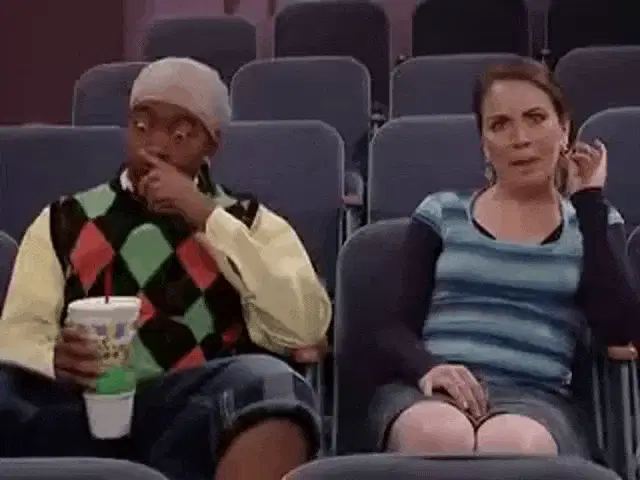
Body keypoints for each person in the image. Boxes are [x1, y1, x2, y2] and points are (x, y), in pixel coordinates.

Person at [0, 57, 331, 480]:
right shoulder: (63, 219)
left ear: (212, 144)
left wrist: (206, 217)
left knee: (273, 385)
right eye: (142, 126)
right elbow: (18, 333)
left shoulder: (252, 223)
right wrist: (52, 358)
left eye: (180, 133)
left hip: (194, 413)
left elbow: (302, 330)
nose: (155, 146)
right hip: (80, 408)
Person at [367, 61, 640, 457]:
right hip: (431, 390)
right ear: (484, 143)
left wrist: (588, 203)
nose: (520, 139)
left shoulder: (593, 220)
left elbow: (618, 329)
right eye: (500, 125)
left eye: (536, 119)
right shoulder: (441, 212)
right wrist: (428, 368)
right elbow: (391, 328)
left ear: (564, 129)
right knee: (439, 435)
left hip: (537, 400)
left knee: (509, 444)